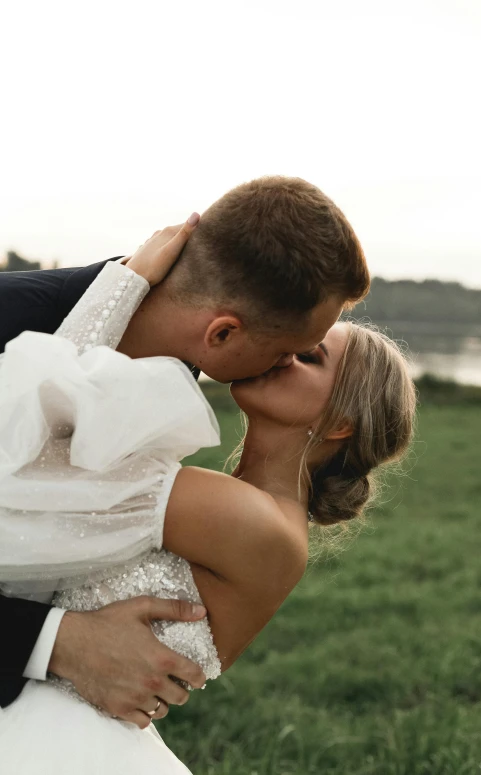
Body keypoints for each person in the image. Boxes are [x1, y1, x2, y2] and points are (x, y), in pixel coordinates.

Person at [0, 222, 415, 773]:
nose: (283, 353)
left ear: (339, 423)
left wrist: (123, 286)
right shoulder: (254, 511)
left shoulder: (248, 520)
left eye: (307, 356)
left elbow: (28, 463)